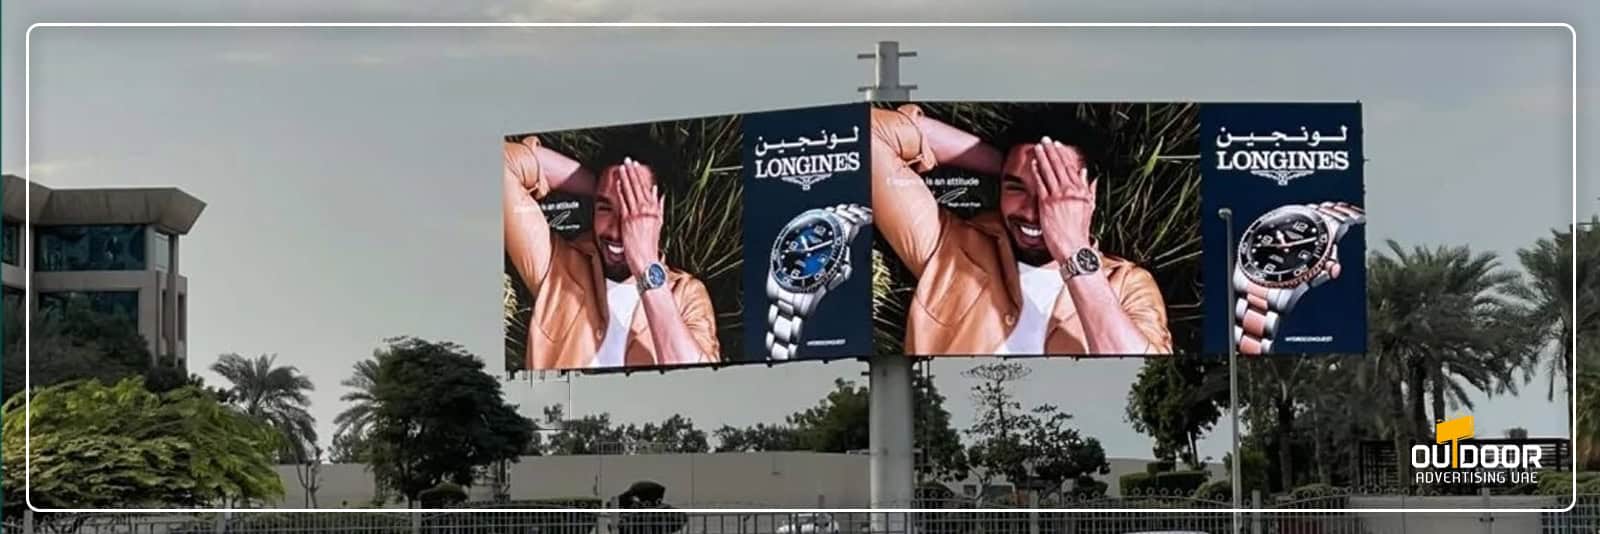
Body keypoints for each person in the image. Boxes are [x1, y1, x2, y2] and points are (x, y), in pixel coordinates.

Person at [869, 104, 1173, 356]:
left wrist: (1072, 248)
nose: (1030, 211)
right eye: (1016, 187)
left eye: (1052, 189)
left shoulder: (1127, 286)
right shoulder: (950, 247)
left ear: (1089, 193)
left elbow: (1140, 375)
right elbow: (867, 134)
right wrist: (1003, 163)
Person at [504, 135, 719, 369]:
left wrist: (645, 263)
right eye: (605, 207)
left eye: (632, 209)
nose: (617, 230)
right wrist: (597, 186)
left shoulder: (686, 295)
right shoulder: (558, 266)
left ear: (660, 211)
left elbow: (699, 382)